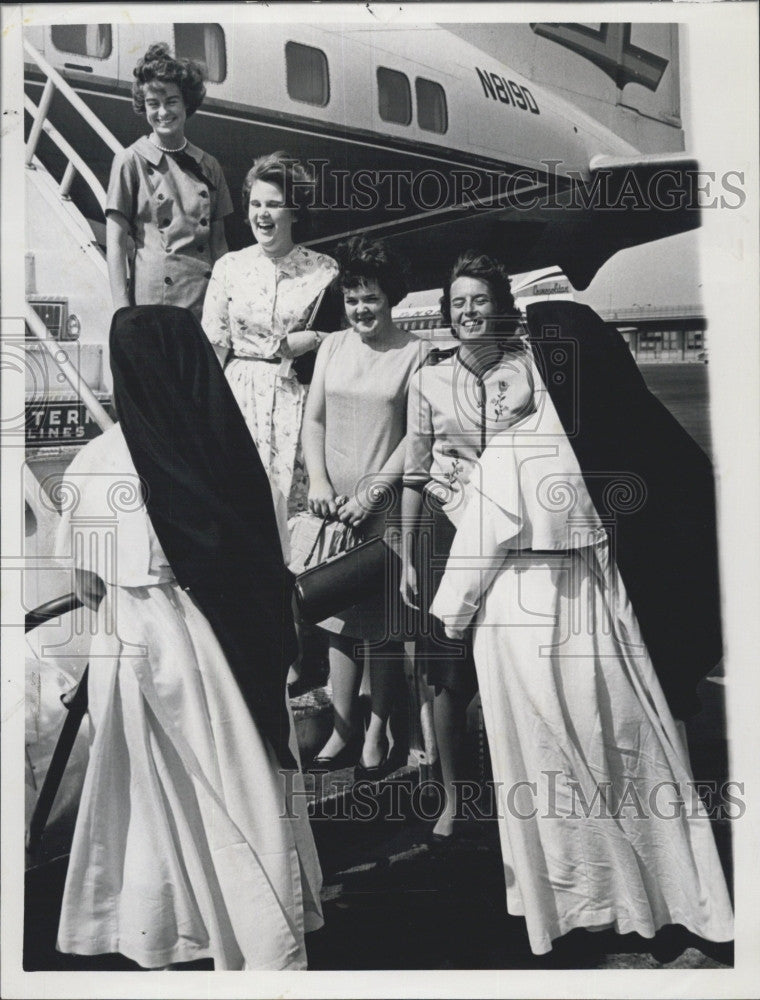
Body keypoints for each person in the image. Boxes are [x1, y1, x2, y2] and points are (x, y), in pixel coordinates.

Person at [429, 301, 734, 955]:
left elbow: (484, 546)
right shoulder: (596, 437)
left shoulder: (514, 448)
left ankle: (578, 903)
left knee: (547, 764)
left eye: (521, 362)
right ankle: (656, 893)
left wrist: (448, 618)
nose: (504, 376)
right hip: (597, 612)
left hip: (525, 622)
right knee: (615, 756)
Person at [54, 306, 322, 971]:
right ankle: (256, 929)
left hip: (125, 640)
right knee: (234, 788)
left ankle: (163, 925)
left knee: (151, 801)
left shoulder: (91, 463)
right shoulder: (222, 450)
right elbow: (269, 562)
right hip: (208, 643)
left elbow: (87, 586)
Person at [400, 252, 534, 840]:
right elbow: (415, 467)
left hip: (510, 530)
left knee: (516, 661)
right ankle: (457, 799)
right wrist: (407, 550)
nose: (469, 311)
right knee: (443, 669)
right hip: (444, 529)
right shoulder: (427, 376)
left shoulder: (527, 369)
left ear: (500, 308)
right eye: (459, 303)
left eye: (480, 300)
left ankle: (520, 797)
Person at [301, 237, 427, 775]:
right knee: (337, 621)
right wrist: (320, 481)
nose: (360, 309)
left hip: (385, 509)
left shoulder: (416, 352)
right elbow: (315, 421)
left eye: (370, 298)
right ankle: (342, 729)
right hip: (334, 513)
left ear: (390, 298)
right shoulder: (331, 346)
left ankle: (377, 734)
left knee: (382, 626)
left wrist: (374, 489)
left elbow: (417, 435)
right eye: (352, 299)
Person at [202, 151, 340, 517]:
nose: (261, 214)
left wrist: (310, 341)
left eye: (274, 205)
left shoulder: (324, 270)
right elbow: (214, 349)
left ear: (294, 212)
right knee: (237, 505)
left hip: (298, 398)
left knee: (290, 509)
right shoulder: (228, 267)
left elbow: (340, 343)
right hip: (239, 394)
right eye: (255, 203)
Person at [106, 43, 233, 320]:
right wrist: (121, 312)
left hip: (205, 303)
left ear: (186, 102)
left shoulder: (209, 165)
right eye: (153, 104)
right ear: (144, 106)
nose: (163, 112)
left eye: (171, 101)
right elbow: (115, 244)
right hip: (152, 306)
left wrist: (226, 306)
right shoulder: (130, 160)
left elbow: (220, 246)